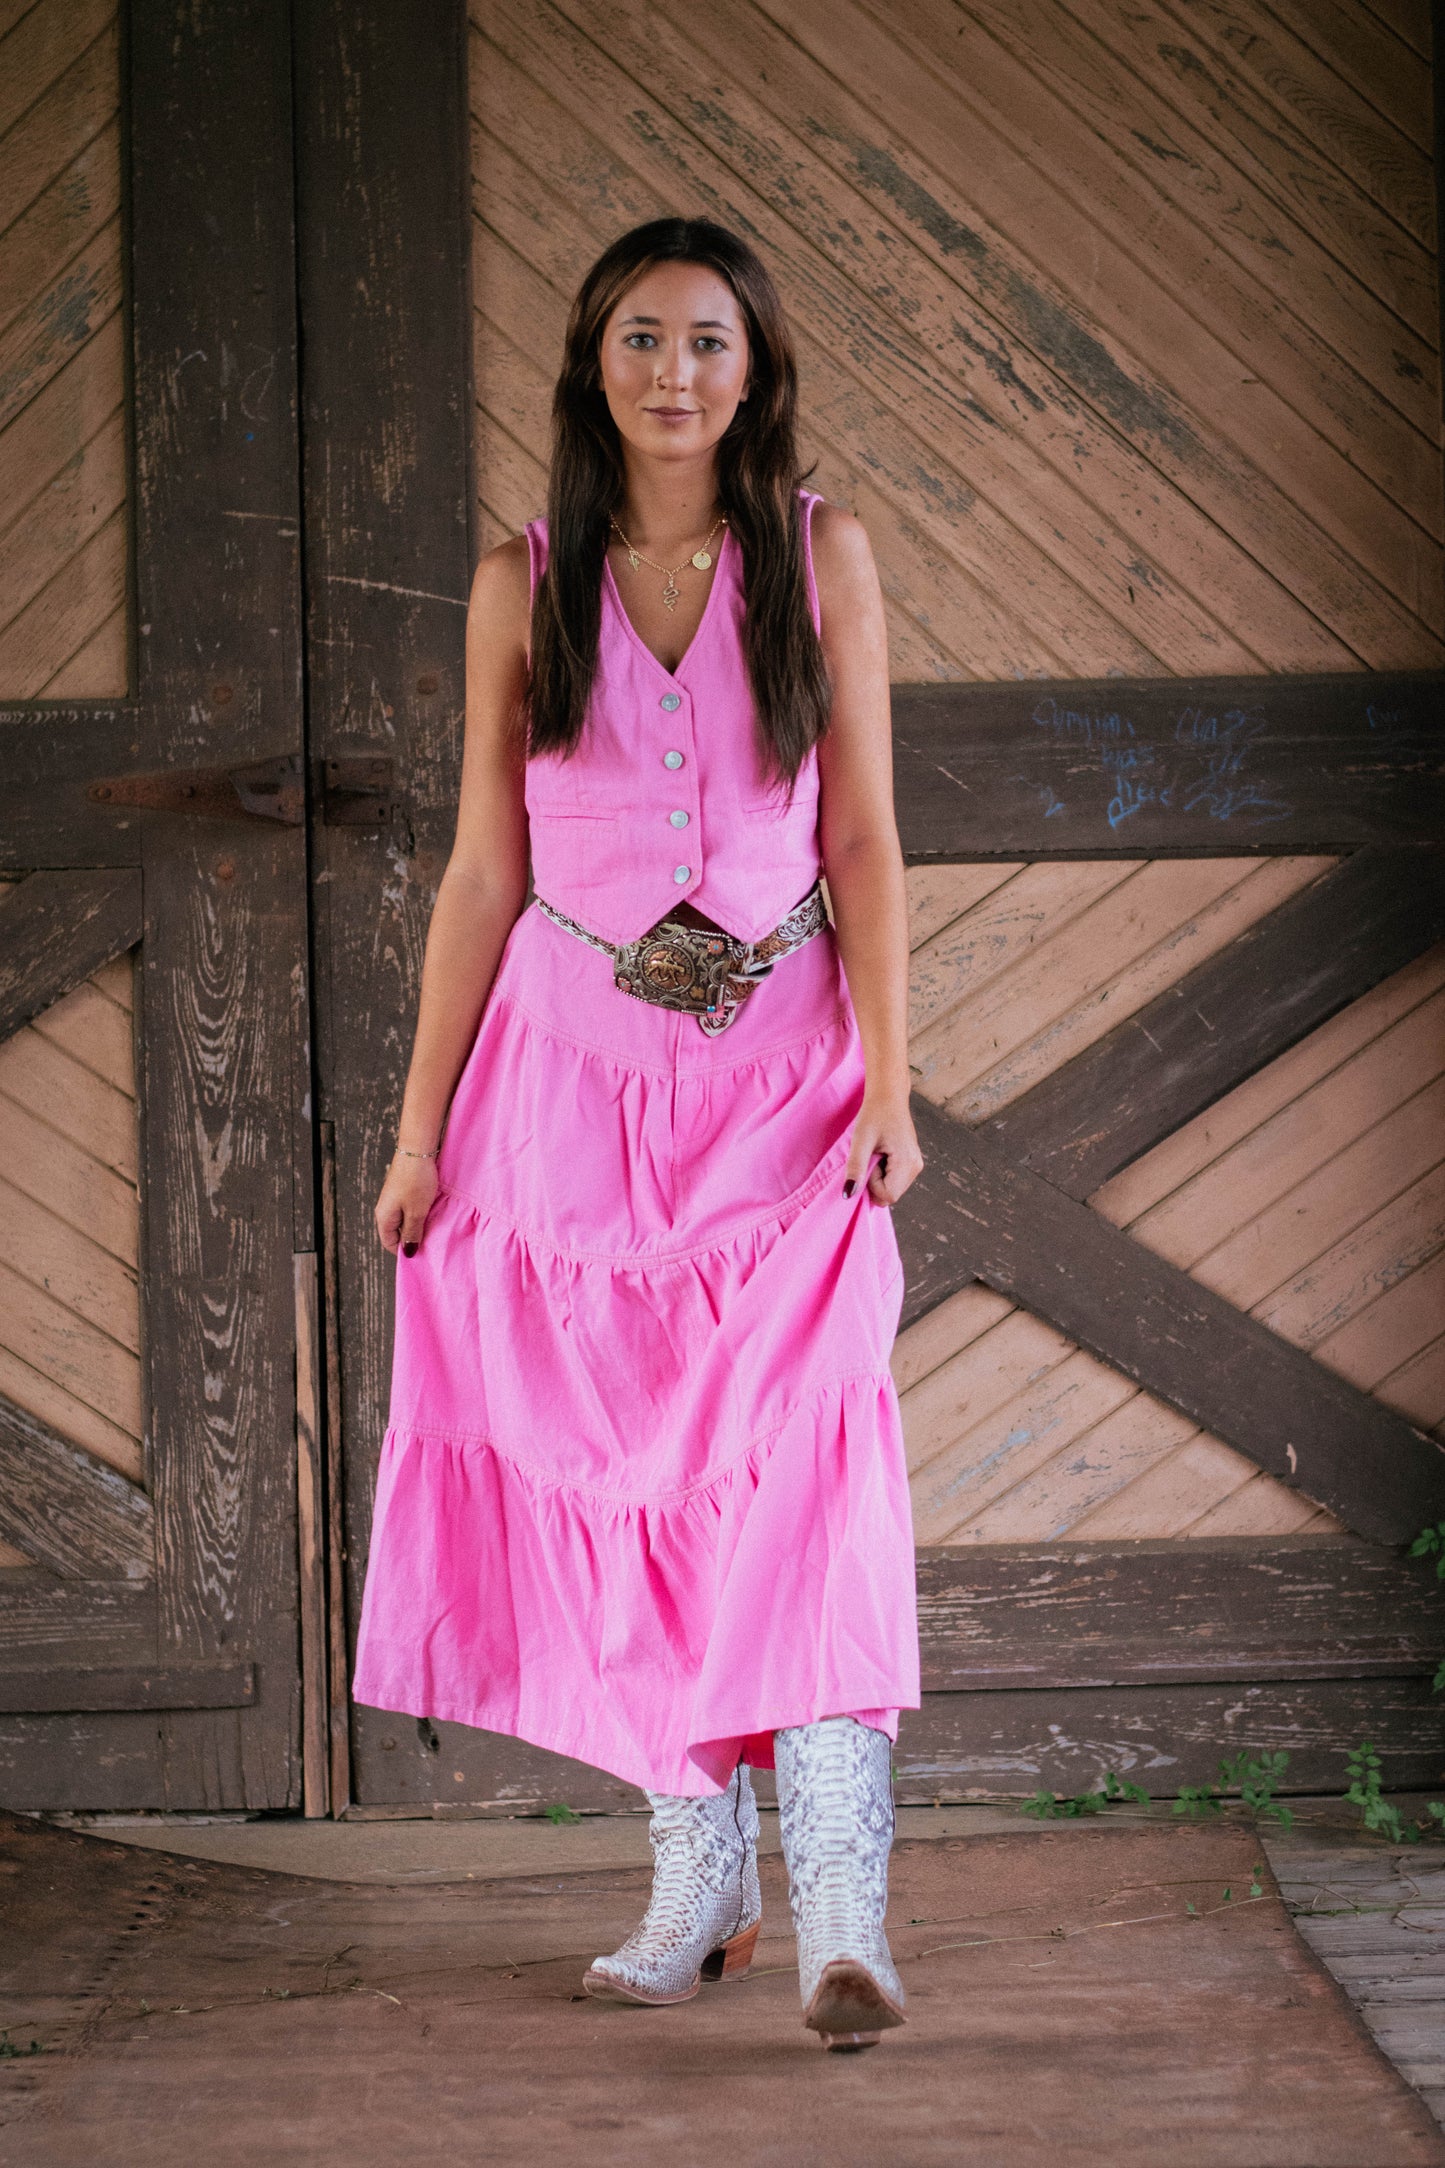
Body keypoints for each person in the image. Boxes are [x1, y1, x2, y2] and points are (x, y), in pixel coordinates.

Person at [354, 217, 924, 2052]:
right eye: (637, 340)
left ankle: (842, 1904)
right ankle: (699, 1880)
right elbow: (480, 872)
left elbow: (861, 848)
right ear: (592, 365)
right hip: (568, 1105)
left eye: (706, 343)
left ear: (751, 370)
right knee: (625, 1493)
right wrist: (420, 1131)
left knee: (809, 1471)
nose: (673, 373)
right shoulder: (521, 582)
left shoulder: (822, 554)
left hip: (784, 1098)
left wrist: (895, 1086)